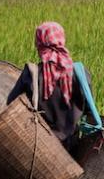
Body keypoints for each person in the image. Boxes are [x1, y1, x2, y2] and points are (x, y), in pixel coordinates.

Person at [7, 22, 93, 151]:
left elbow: (11, 106)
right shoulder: (80, 73)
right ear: (61, 40)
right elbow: (89, 110)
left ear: (38, 43)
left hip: (41, 149)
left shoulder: (31, 74)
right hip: (73, 147)